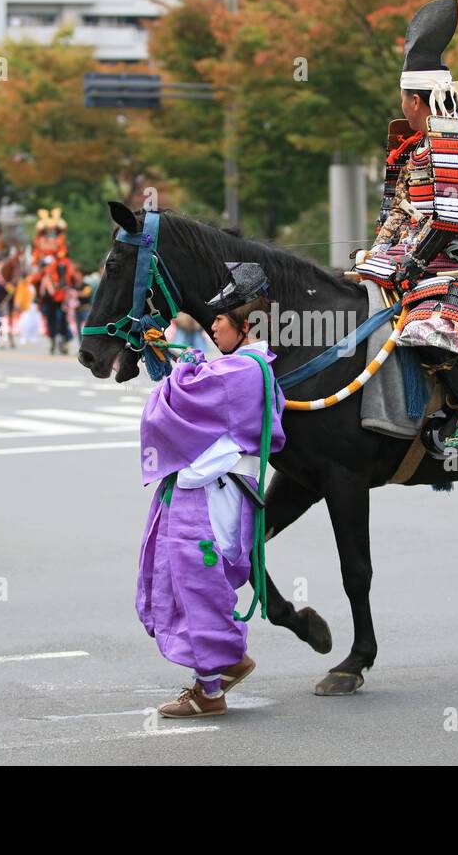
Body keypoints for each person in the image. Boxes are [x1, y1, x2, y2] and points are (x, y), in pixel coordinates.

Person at [351, 0, 458, 458]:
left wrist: (408, 262)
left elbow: (453, 220)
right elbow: (400, 213)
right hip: (417, 261)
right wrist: (374, 255)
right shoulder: (413, 150)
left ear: (416, 99)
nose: (399, 104)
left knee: (426, 328)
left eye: (403, 97)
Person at [136, 262, 286, 719]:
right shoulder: (247, 367)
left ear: (245, 326)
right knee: (197, 580)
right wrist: (185, 362)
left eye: (219, 319)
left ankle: (211, 688)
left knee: (195, 580)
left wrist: (177, 373)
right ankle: (221, 668)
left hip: (211, 493)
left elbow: (174, 402)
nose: (212, 326)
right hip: (217, 488)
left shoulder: (241, 371)